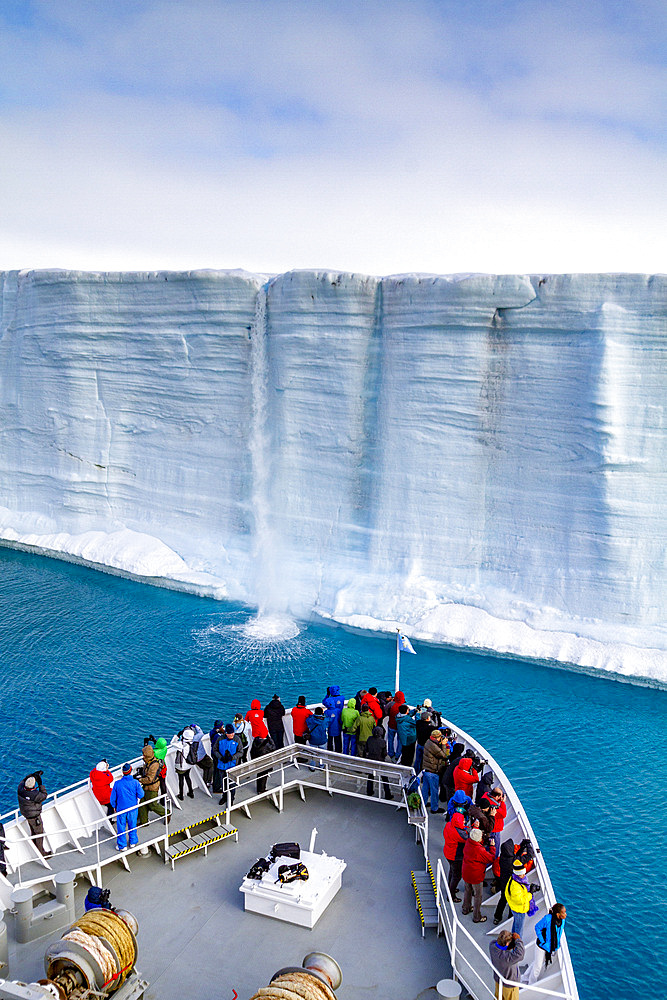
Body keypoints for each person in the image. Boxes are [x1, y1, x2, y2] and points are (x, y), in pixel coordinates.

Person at [523, 904, 567, 985]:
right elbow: (537, 927)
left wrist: (556, 945)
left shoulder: (562, 921)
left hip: (549, 947)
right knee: (538, 967)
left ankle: (525, 977)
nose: (565, 914)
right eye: (563, 912)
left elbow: (559, 934)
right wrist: (543, 941)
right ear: (558, 914)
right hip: (541, 946)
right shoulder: (547, 919)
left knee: (536, 963)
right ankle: (531, 984)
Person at [461, 827, 495, 922]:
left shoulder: (468, 842)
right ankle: (477, 917)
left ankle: (466, 909)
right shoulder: (480, 850)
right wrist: (492, 847)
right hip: (476, 876)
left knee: (468, 890)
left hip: (466, 872)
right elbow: (491, 858)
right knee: (478, 896)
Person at [109, 763, 144, 851]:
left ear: (123, 772)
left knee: (121, 827)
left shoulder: (117, 784)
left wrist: (114, 806)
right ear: (130, 771)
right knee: (132, 825)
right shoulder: (135, 783)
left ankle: (122, 845)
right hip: (132, 808)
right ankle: (133, 842)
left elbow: (112, 798)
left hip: (121, 809)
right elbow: (141, 794)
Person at [136, 744, 166, 842]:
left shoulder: (154, 765)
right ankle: (144, 821)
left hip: (152, 787)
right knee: (142, 804)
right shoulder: (148, 762)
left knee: (152, 805)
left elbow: (150, 779)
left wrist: (140, 780)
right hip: (146, 787)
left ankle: (167, 813)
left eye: (144, 755)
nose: (143, 757)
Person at [504, 859, 539, 936]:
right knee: (519, 930)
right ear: (517, 874)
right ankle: (517, 945)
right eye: (521, 874)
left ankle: (512, 940)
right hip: (519, 910)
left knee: (516, 925)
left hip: (514, 907)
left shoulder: (513, 880)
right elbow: (521, 900)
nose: (523, 875)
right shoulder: (516, 886)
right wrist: (530, 893)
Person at [17, 772, 48, 856]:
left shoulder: (20, 789)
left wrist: (32, 775)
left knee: (33, 831)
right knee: (39, 833)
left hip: (27, 814)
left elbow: (23, 780)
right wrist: (40, 783)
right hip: (34, 816)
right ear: (34, 786)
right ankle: (41, 853)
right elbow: (44, 795)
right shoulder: (35, 795)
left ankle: (34, 847)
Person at [489, 930, 525, 1000]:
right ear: (507, 944)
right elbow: (520, 954)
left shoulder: (492, 947)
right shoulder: (507, 958)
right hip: (510, 986)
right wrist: (518, 940)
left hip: (498, 980)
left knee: (498, 998)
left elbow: (495, 942)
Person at [443, 802, 468, 900]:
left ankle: (450, 887)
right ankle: (451, 895)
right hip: (455, 856)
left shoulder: (449, 825)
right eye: (463, 821)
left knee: (452, 871)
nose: (464, 822)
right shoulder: (460, 833)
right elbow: (468, 839)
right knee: (457, 876)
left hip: (448, 852)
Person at [421, 731, 449, 813]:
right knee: (434, 791)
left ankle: (424, 803)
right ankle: (434, 808)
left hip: (426, 769)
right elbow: (444, 755)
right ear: (437, 738)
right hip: (432, 771)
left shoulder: (428, 742)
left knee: (425, 788)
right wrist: (444, 744)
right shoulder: (433, 746)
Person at [214, 724, 242, 805]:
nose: (232, 735)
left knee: (232, 784)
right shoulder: (220, 739)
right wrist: (221, 757)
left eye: (233, 733)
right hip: (222, 765)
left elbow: (241, 752)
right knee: (224, 784)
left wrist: (232, 757)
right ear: (226, 733)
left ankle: (231, 799)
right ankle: (224, 797)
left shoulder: (237, 740)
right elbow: (215, 750)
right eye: (230, 733)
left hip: (232, 766)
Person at [365, 726, 394, 799]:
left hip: (371, 761)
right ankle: (387, 794)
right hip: (379, 762)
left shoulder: (369, 739)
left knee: (370, 776)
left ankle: (369, 791)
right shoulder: (382, 742)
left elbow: (366, 750)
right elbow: (384, 754)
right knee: (385, 779)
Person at [493, 838, 516, 925]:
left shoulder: (503, 857)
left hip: (503, 883)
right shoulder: (513, 860)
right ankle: (510, 917)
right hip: (511, 885)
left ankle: (497, 917)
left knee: (503, 900)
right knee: (512, 902)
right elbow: (524, 858)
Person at [172, 727, 196, 800]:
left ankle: (181, 795)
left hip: (181, 766)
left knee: (181, 780)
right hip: (189, 765)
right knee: (188, 777)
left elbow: (172, 743)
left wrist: (177, 736)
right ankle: (191, 792)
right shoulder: (192, 743)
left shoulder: (181, 745)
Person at [322, 685, 345, 753]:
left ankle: (330, 750)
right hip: (339, 719)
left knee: (330, 739)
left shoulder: (329, 701)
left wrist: (327, 694)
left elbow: (324, 702)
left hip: (331, 723)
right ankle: (339, 750)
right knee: (338, 738)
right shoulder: (342, 698)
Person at [414, 709, 437, 773]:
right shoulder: (430, 727)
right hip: (426, 746)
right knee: (424, 761)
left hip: (419, 744)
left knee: (418, 760)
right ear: (427, 718)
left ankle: (415, 772)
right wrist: (437, 717)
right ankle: (421, 773)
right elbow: (437, 728)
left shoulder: (418, 723)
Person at [386, 690, 406, 760]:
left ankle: (390, 753)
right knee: (399, 741)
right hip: (400, 727)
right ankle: (398, 755)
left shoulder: (391, 704)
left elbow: (386, 711)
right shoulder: (403, 706)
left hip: (391, 724)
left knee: (390, 739)